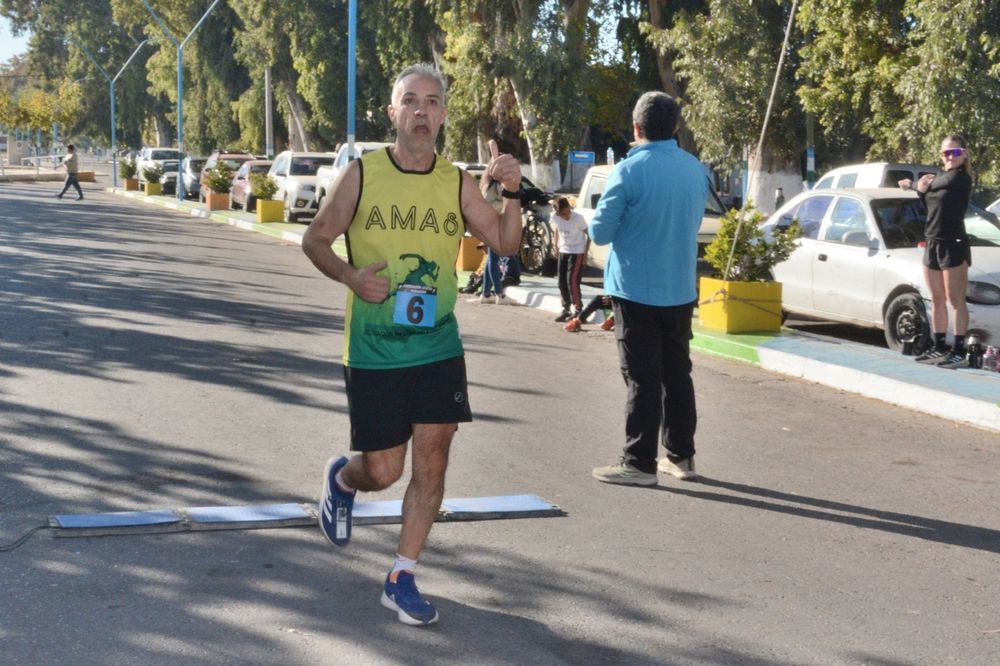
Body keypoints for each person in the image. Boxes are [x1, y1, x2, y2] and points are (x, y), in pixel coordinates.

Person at [301, 63, 523, 626]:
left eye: (432, 102)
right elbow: (316, 238)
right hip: (374, 348)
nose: (422, 112)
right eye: (411, 101)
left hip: (437, 346)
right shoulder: (362, 174)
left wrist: (513, 193)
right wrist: (351, 277)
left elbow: (502, 241)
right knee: (384, 470)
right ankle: (343, 479)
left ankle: (402, 575)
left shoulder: (454, 181)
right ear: (393, 112)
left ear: (443, 115)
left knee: (434, 458)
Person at [588, 91, 707, 487]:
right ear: (675, 128)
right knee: (678, 375)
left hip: (636, 291)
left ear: (636, 128)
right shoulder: (694, 169)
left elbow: (601, 233)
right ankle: (681, 456)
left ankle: (638, 463)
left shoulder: (627, 171)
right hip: (680, 290)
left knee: (641, 377)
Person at [899, 134, 973, 369]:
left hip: (954, 243)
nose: (950, 157)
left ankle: (959, 350)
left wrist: (914, 185)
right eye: (945, 153)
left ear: (964, 154)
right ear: (940, 155)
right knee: (937, 299)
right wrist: (921, 191)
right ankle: (939, 345)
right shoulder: (938, 179)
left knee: (955, 299)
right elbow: (930, 202)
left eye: (955, 152)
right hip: (932, 242)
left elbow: (939, 185)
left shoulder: (961, 178)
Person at [551, 197, 589, 322]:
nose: (567, 215)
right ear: (557, 213)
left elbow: (589, 234)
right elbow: (557, 228)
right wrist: (555, 245)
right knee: (561, 280)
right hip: (564, 250)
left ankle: (578, 309)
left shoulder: (578, 218)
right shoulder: (555, 217)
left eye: (568, 211)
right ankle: (566, 308)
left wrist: (585, 254)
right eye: (563, 214)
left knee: (572, 280)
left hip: (577, 251)